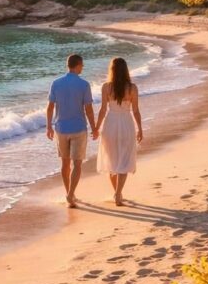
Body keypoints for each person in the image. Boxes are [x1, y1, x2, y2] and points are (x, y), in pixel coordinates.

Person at [46, 54, 97, 208]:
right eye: (82, 65)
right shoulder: (84, 85)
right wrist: (94, 127)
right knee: (77, 164)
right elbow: (88, 109)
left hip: (61, 128)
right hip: (78, 128)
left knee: (65, 163)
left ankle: (69, 192)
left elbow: (50, 107)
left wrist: (48, 126)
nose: (83, 68)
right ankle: (70, 194)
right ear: (78, 65)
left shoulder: (56, 83)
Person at [94, 57, 143, 207]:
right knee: (125, 160)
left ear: (112, 70)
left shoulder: (106, 87)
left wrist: (96, 128)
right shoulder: (132, 88)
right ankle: (118, 193)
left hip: (111, 124)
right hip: (126, 123)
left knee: (112, 159)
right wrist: (140, 128)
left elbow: (103, 110)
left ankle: (117, 192)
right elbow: (135, 111)